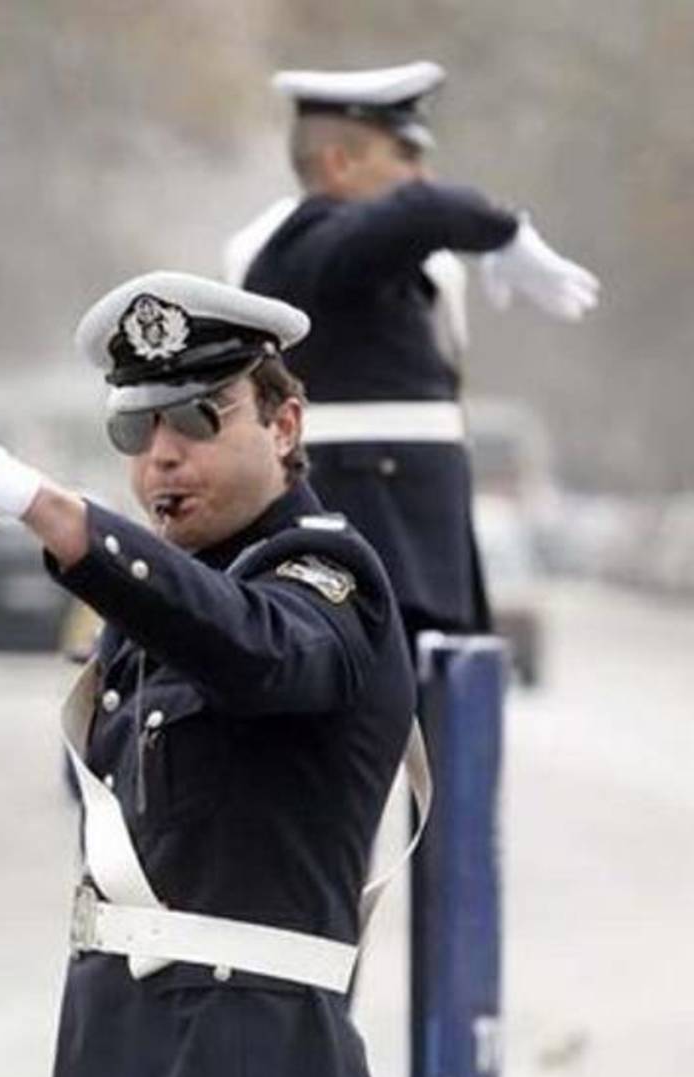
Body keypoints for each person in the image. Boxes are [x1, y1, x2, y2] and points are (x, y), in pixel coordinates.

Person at [0, 271, 426, 1077]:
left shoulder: (329, 576)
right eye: (136, 431)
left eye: (198, 419)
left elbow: (258, 654)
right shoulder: (153, 604)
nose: (161, 458)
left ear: (284, 426)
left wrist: (55, 515)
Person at [241, 61, 599, 645]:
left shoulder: (369, 267)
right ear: (339, 162)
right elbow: (424, 212)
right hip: (375, 546)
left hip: (404, 550)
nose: (421, 176)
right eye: (404, 158)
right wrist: (501, 231)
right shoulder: (310, 253)